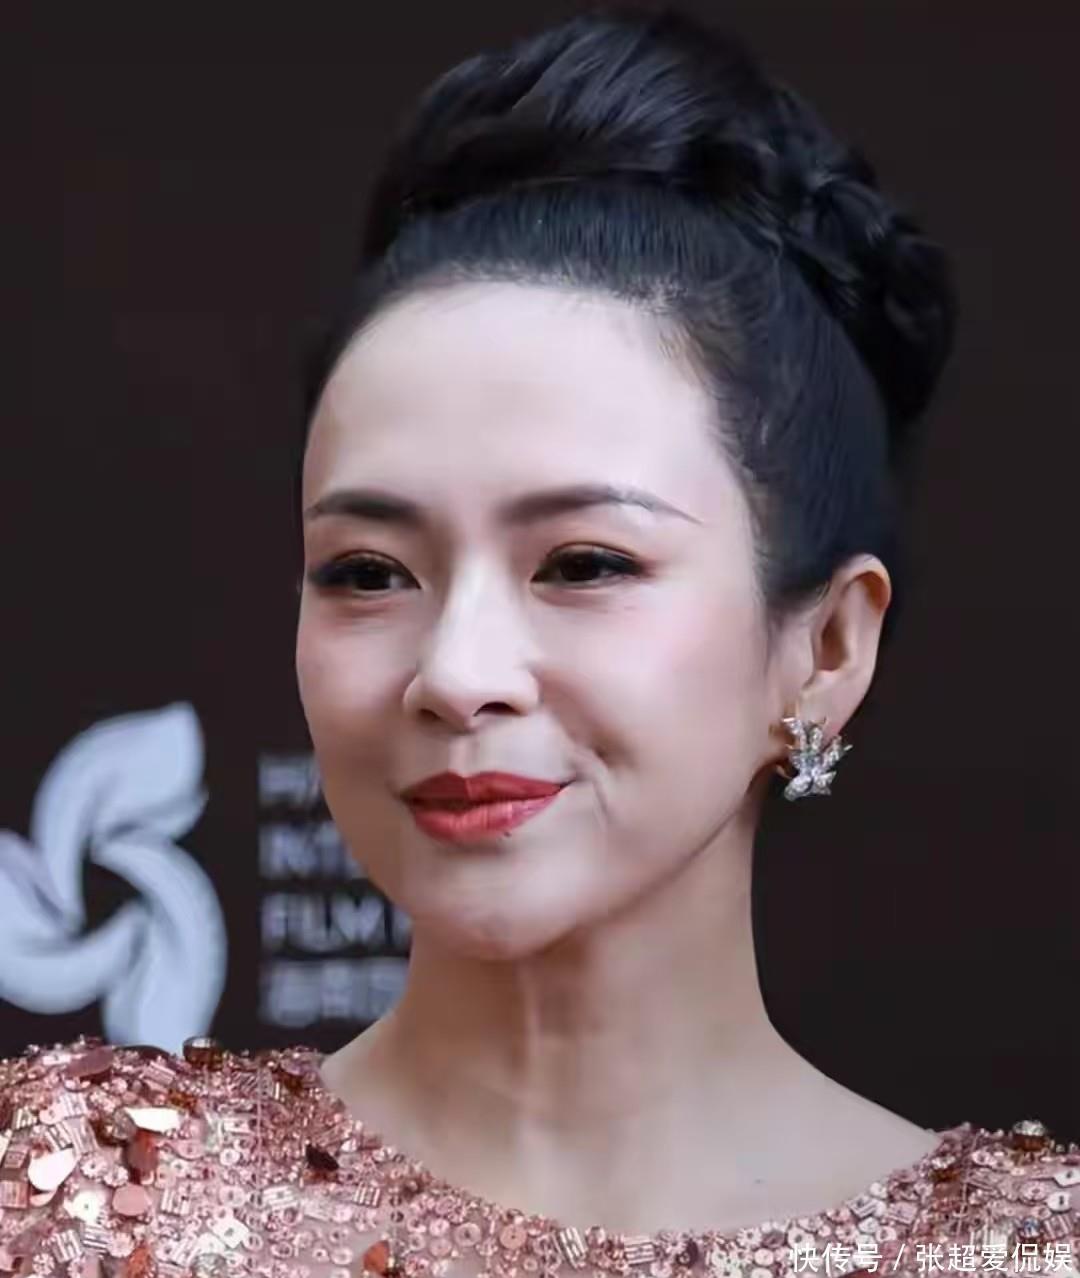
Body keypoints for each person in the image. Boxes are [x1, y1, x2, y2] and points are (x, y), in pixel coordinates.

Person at [1, 4, 1077, 1276]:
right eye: (369, 572)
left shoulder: (1025, 1253)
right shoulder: (73, 1205)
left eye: (583, 564)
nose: (456, 674)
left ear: (827, 648)